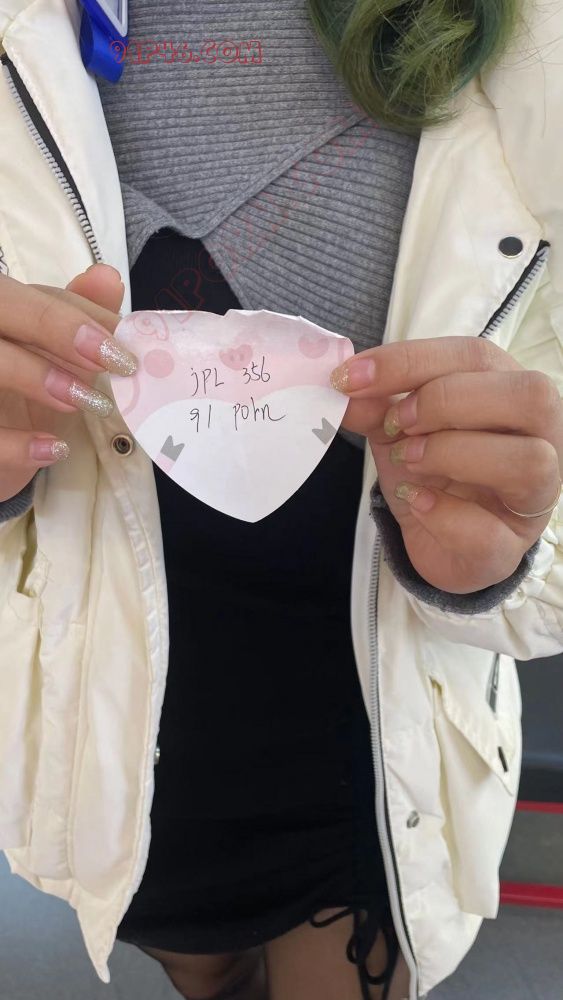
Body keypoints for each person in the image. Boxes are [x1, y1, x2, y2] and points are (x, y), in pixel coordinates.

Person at [0, 1, 562, 998]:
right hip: (106, 767)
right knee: (197, 968)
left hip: (375, 782)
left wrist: (507, 555)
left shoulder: (535, 59)